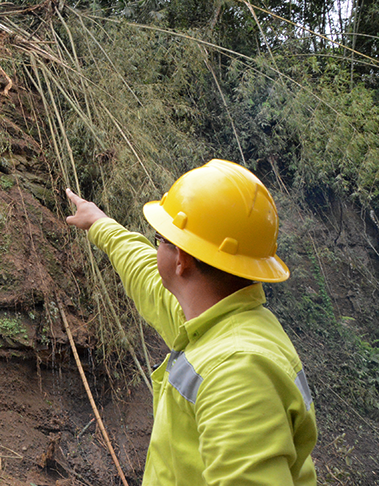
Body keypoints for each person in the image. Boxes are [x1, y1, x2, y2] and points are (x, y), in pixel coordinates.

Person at [65, 159, 317, 485]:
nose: (155, 246)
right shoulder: (215, 323)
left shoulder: (237, 371)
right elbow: (147, 276)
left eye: (160, 238)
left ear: (181, 259)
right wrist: (100, 223)